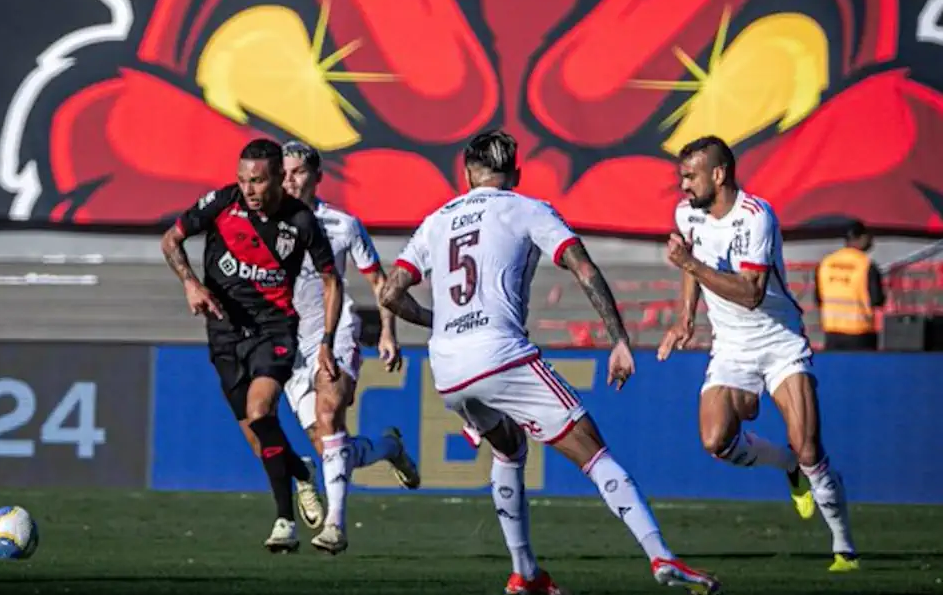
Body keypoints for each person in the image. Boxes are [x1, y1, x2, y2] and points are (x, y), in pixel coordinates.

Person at [379, 130, 720, 595]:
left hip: (448, 367)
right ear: (515, 174)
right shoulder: (528, 208)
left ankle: (526, 574)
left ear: (466, 173)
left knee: (508, 448)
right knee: (594, 453)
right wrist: (619, 339)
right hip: (500, 354)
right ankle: (661, 555)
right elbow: (582, 267)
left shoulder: (437, 220)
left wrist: (438, 323)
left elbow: (390, 292)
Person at [657, 136, 858, 573]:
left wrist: (690, 265)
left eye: (690, 176)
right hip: (731, 346)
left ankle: (844, 547)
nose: (683, 186)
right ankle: (784, 464)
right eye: (681, 177)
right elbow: (692, 266)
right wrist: (685, 319)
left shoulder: (756, 217)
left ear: (719, 174)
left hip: (779, 341)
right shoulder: (686, 214)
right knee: (716, 441)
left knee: (809, 449)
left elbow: (751, 294)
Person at [159, 138, 343, 552]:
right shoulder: (222, 203)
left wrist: (327, 342)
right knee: (258, 437)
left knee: (261, 412)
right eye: (243, 180)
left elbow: (332, 280)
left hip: (274, 330)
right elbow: (170, 239)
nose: (249, 190)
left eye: (258, 181)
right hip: (224, 332)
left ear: (279, 177)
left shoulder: (301, 221)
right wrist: (191, 283)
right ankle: (301, 472)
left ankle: (284, 522)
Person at [279, 141, 422, 555]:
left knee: (329, 413)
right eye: (284, 172)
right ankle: (389, 447)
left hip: (335, 330)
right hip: (290, 343)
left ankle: (335, 527)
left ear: (317, 176)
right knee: (331, 448)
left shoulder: (343, 224)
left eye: (299, 172)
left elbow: (380, 284)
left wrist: (388, 333)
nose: (290, 179)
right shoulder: (266, 224)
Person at [815, 221, 885, 351]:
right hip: (860, 332)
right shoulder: (866, 265)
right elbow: (877, 299)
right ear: (862, 238)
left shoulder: (826, 262)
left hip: (832, 332)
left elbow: (818, 298)